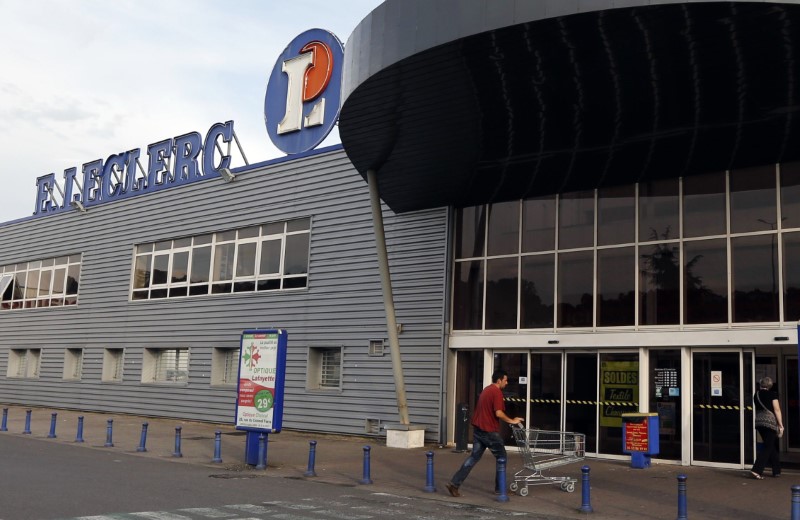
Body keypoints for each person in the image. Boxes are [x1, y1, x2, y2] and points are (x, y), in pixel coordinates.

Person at [446, 369, 524, 497]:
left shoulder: (486, 390)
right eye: (505, 380)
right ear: (499, 380)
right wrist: (512, 420)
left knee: (473, 457)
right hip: (489, 432)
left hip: (478, 430)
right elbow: (498, 413)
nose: (507, 382)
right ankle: (500, 489)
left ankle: (454, 484)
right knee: (502, 457)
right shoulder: (496, 392)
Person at [751, 376, 783, 479]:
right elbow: (777, 409)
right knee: (768, 446)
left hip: (759, 422)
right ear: (770, 385)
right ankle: (756, 470)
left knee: (770, 445)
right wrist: (780, 424)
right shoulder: (772, 394)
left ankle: (776, 471)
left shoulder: (756, 394)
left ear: (761, 384)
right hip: (769, 423)